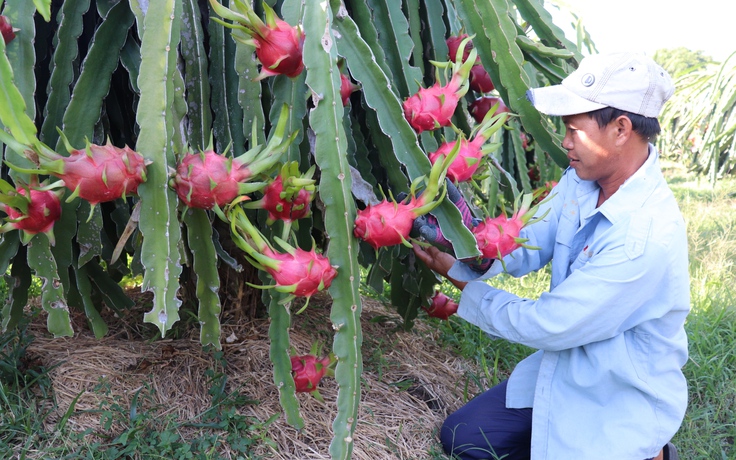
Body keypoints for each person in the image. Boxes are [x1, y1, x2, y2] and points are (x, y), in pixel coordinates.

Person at [412, 52, 689, 460]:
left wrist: (463, 282)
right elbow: (529, 244)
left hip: (617, 390)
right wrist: (469, 242)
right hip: (566, 365)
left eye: (574, 130)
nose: (565, 142)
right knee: (464, 438)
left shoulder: (645, 236)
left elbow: (551, 325)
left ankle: (651, 453)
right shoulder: (581, 182)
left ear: (620, 129)